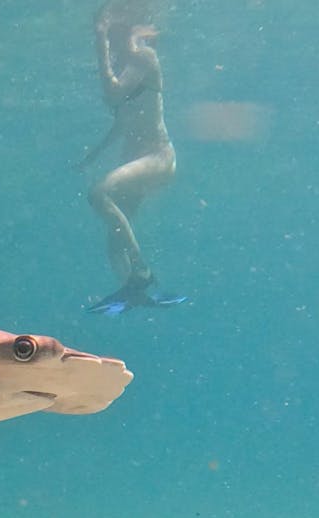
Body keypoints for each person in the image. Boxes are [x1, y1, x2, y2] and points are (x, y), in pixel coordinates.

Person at [78, 1, 185, 315]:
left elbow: (112, 93)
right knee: (114, 241)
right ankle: (133, 290)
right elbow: (122, 121)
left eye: (115, 36)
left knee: (98, 193)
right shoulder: (128, 66)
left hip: (157, 157)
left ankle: (141, 272)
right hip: (137, 161)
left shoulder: (144, 58)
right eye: (111, 37)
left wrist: (99, 40)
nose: (113, 43)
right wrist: (92, 156)